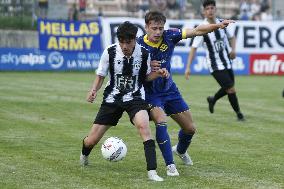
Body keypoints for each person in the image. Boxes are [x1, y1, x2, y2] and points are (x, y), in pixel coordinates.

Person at [137, 11, 234, 176]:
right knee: (161, 122)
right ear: (146, 27)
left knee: (190, 129)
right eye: (154, 28)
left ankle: (180, 151)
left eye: (161, 28)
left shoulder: (170, 36)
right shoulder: (138, 45)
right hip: (151, 94)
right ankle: (170, 166)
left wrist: (217, 25)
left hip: (170, 91)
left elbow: (197, 31)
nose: (158, 32)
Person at [79, 21, 169, 182]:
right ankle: (84, 155)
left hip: (135, 97)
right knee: (91, 140)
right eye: (121, 41)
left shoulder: (144, 54)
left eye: (128, 42)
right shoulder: (110, 52)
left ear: (135, 39)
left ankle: (152, 171)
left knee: (144, 127)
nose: (124, 46)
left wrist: (159, 73)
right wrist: (93, 90)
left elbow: (146, 77)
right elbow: (100, 75)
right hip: (112, 98)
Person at [185, 0, 245, 121]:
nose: (210, 10)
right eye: (207, 9)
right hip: (214, 65)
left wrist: (233, 50)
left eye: (212, 8)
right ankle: (239, 114)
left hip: (227, 62)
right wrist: (188, 67)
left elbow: (232, 37)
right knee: (231, 88)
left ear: (215, 9)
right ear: (204, 12)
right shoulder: (202, 28)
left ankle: (213, 99)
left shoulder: (221, 23)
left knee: (229, 87)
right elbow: (194, 48)